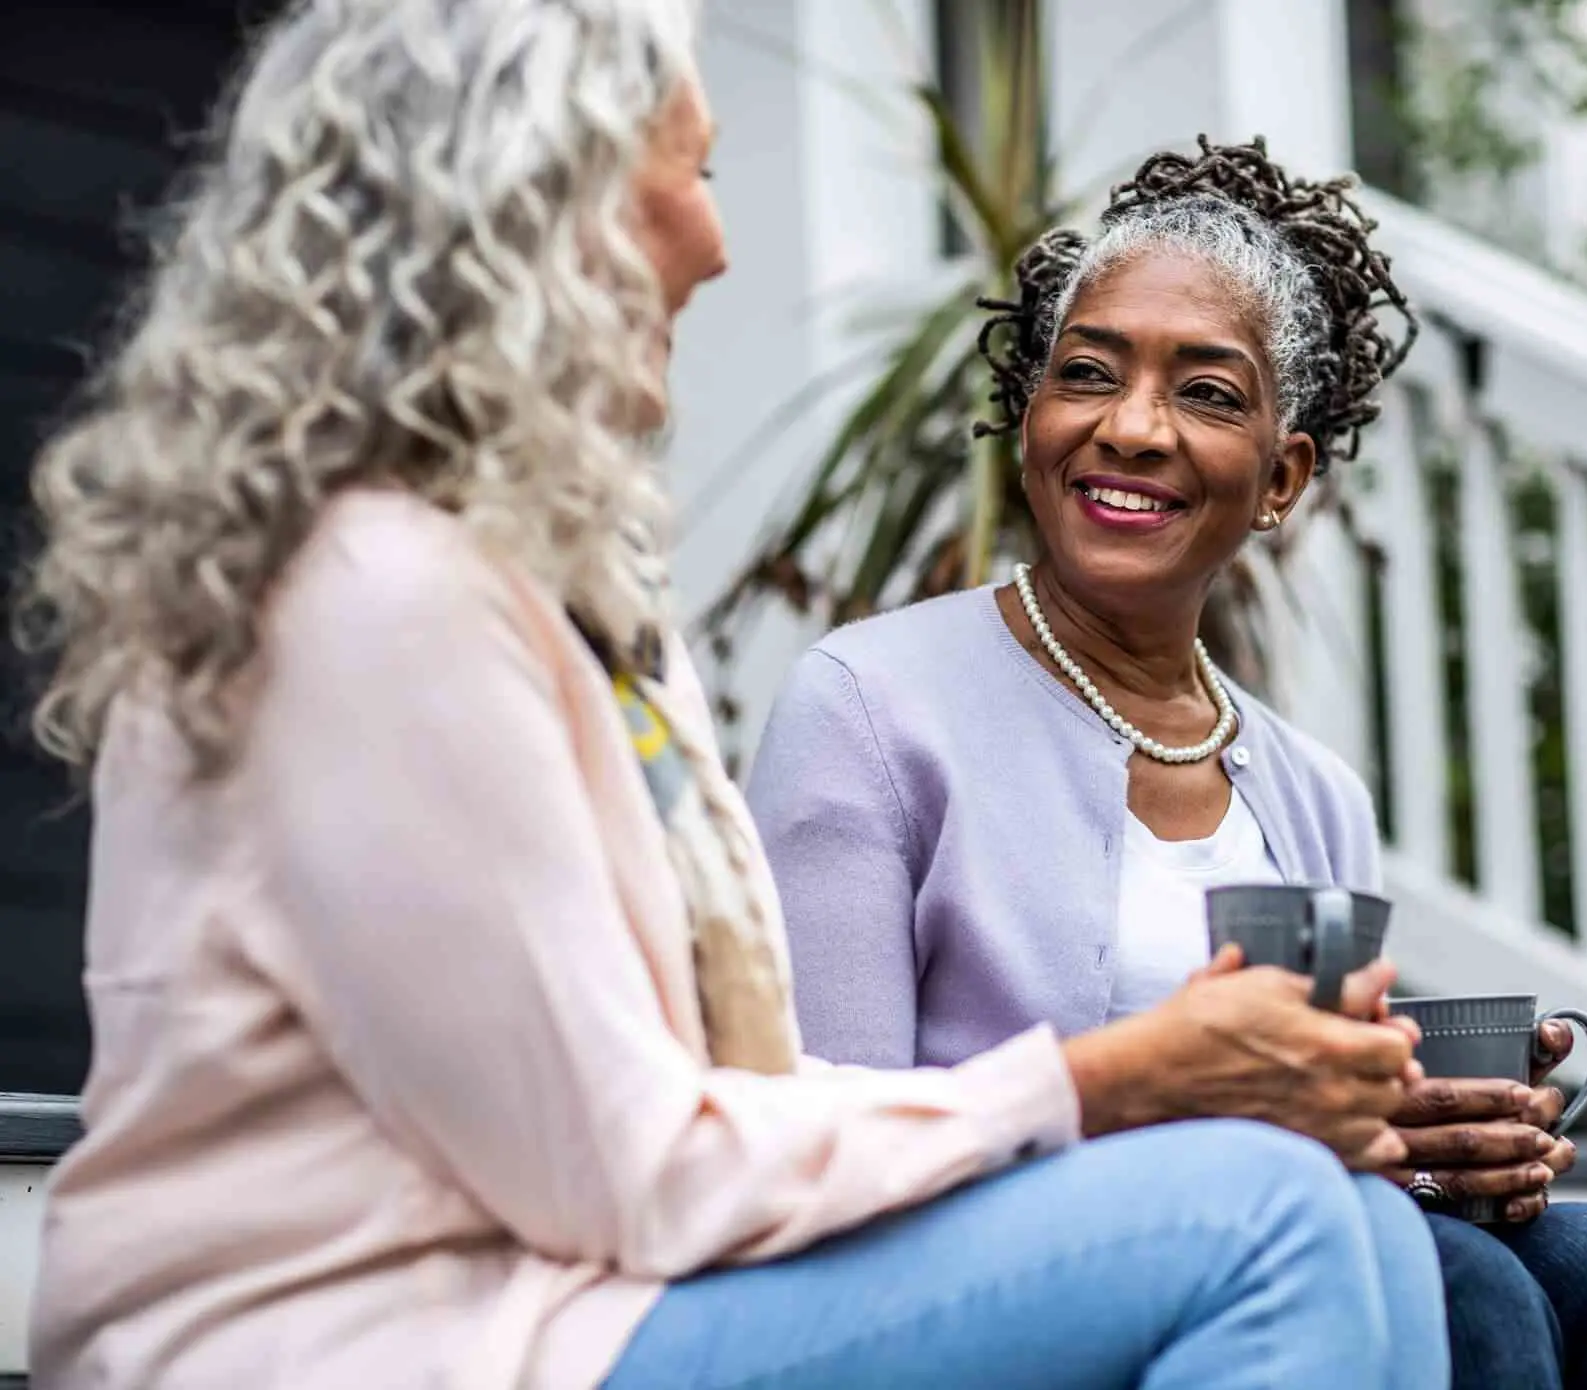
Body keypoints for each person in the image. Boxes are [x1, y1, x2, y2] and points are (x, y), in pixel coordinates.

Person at [13, 5, 1454, 1388]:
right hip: (367, 1339)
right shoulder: (376, 600)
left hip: (558, 1299)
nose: (713, 240)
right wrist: (1113, 1079)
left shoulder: (536, 588)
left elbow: (691, 1111)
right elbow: (627, 1172)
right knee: (1264, 1221)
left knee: (1374, 1225)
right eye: (688, 174)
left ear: (1287, 475)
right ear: (538, 203)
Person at [747, 138, 1587, 1390]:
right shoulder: (868, 707)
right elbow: (816, 1134)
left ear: (1282, 476)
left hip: (1284, 1243)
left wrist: (1430, 1139)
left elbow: (1326, 1141)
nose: (1131, 428)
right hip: (976, 1283)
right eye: (1086, 374)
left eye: (1207, 393)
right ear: (1029, 419)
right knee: (1463, 1284)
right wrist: (1229, 1121)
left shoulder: (1309, 791)